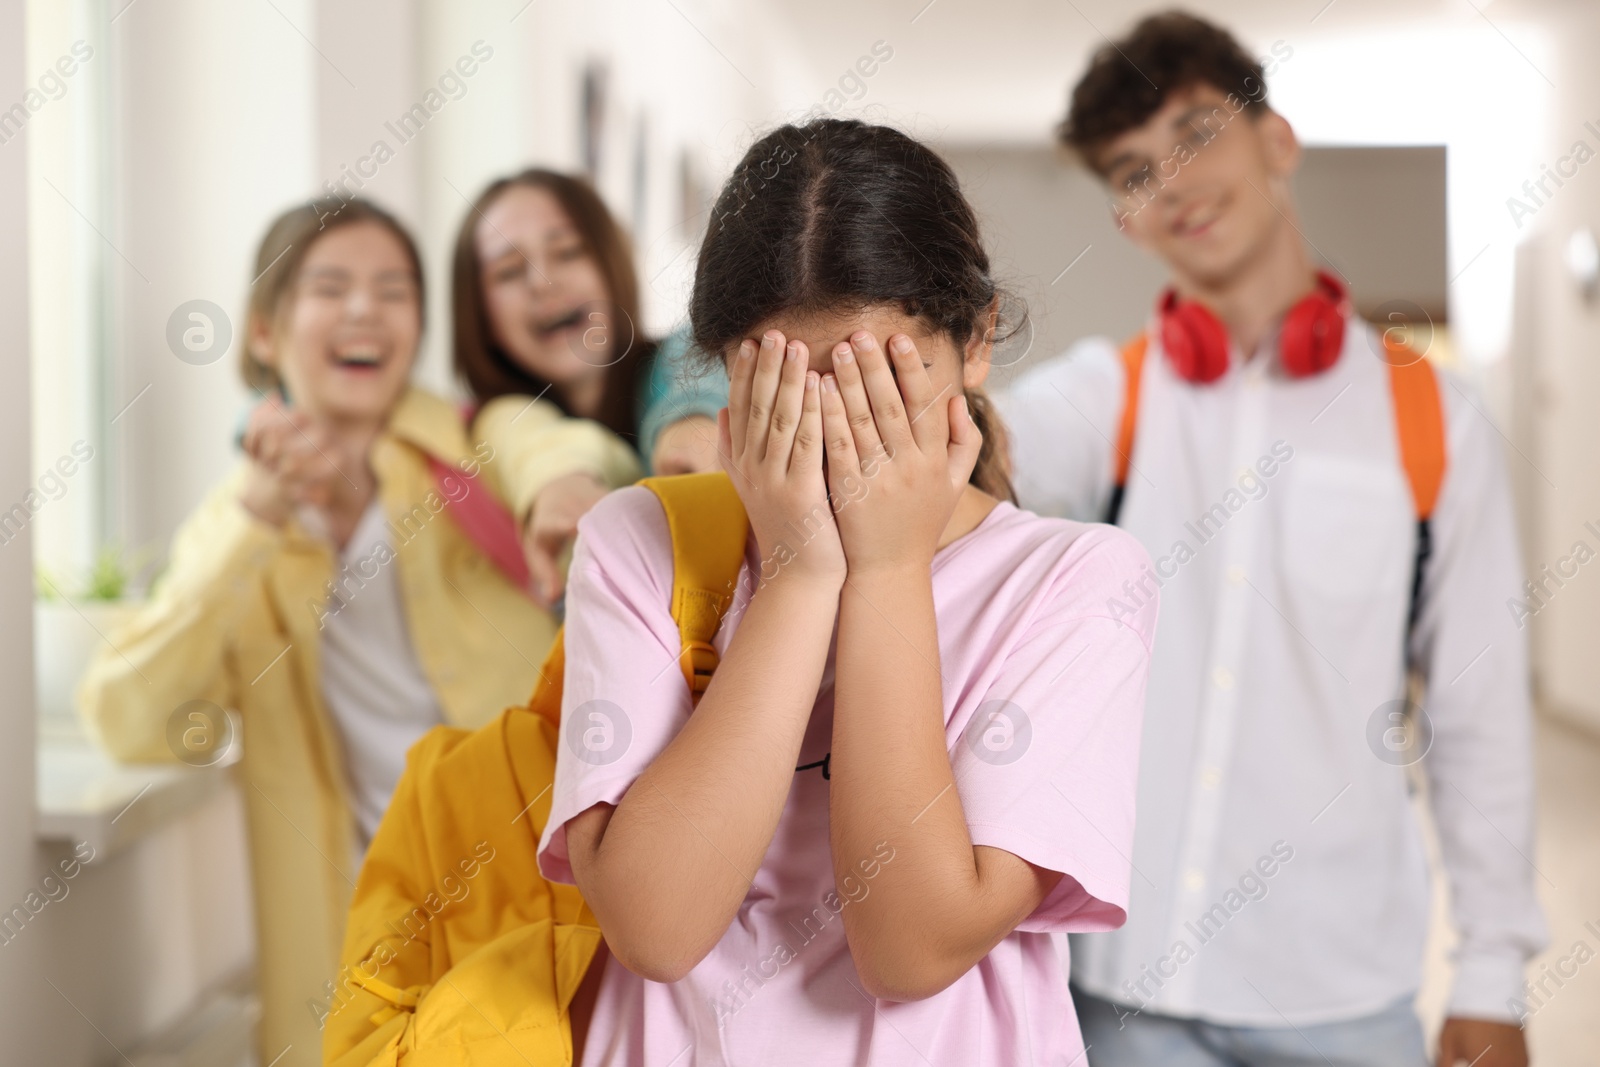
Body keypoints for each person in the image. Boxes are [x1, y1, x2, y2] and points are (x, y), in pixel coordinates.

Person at [535, 117, 1158, 1065]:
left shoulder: (1077, 583)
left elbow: (910, 949)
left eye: (878, 384)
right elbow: (655, 930)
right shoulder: (639, 539)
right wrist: (798, 573)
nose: (838, 437)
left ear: (977, 338)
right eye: (790, 390)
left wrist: (891, 570)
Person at [995, 12, 1547, 1067]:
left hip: (1342, 986)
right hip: (1120, 986)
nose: (1175, 180)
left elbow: (1478, 719)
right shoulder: (1098, 400)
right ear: (1124, 216)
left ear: (1276, 139)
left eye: (1198, 132)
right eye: (1133, 168)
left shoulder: (1434, 422)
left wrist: (1491, 971)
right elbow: (951, 457)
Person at [78, 197, 644, 1067]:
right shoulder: (240, 531)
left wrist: (564, 489)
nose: (363, 311)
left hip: (537, 925)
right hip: (368, 971)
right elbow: (129, 714)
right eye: (330, 287)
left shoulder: (469, 443)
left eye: (393, 290)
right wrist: (253, 517)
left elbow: (557, 447)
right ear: (265, 334)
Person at [450, 168, 727, 609]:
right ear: (481, 318)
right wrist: (561, 483)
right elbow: (528, 440)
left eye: (568, 251)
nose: (543, 282)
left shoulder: (681, 356)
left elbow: (692, 367)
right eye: (507, 272)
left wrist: (691, 428)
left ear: (609, 263)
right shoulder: (494, 426)